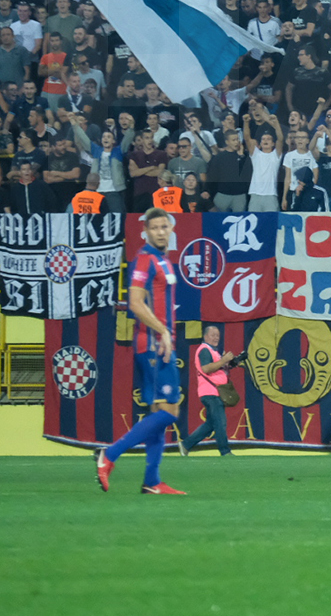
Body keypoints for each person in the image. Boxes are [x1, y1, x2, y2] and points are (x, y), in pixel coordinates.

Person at [94, 208, 188, 496]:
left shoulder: (164, 261)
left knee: (159, 412)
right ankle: (110, 454)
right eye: (155, 227)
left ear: (171, 229)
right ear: (145, 231)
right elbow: (134, 303)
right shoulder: (145, 259)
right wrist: (162, 332)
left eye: (165, 226)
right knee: (171, 411)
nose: (161, 231)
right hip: (153, 345)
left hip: (158, 342)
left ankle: (152, 481)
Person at [180, 323, 245, 458]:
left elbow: (219, 368)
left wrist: (233, 361)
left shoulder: (213, 351)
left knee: (211, 424)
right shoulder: (204, 350)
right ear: (205, 336)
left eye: (218, 335)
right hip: (211, 392)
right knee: (220, 422)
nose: (216, 338)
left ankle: (186, 445)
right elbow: (206, 369)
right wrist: (224, 360)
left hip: (214, 392)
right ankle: (225, 451)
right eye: (213, 335)